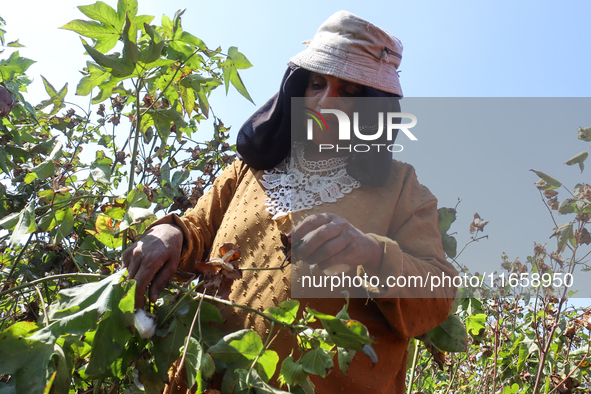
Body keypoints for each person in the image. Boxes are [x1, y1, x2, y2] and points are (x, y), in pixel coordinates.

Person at [123, 11, 457, 393]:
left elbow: (437, 296)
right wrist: (169, 232)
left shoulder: (403, 190)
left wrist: (372, 253)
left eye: (348, 91)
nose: (324, 101)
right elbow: (196, 227)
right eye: (316, 84)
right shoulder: (252, 170)